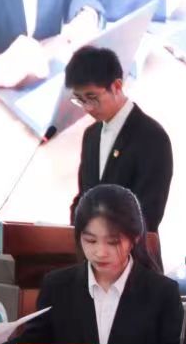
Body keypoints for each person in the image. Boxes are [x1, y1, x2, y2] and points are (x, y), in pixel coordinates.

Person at [0, 184, 186, 344]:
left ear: (135, 238)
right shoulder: (58, 286)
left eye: (112, 242)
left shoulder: (161, 292)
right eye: (90, 241)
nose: (100, 252)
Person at [66, 45, 172, 233]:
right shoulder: (91, 135)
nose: (87, 108)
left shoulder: (153, 138)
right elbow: (83, 197)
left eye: (92, 97)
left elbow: (148, 215)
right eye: (80, 100)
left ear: (116, 86)